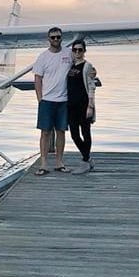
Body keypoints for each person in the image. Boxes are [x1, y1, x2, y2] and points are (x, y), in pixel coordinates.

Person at [33, 27, 73, 175]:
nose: (56, 40)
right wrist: (40, 98)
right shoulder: (43, 57)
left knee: (61, 131)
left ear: (62, 38)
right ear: (48, 39)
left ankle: (59, 162)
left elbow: (80, 62)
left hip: (64, 100)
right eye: (53, 37)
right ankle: (43, 163)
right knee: (45, 132)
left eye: (58, 37)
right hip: (47, 100)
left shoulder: (68, 53)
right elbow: (37, 78)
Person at [67, 39, 97, 173]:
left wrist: (90, 106)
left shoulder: (87, 66)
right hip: (71, 105)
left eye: (80, 50)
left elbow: (91, 86)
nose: (77, 52)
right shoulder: (71, 66)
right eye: (75, 50)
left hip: (83, 104)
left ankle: (85, 161)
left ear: (84, 51)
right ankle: (88, 158)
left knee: (85, 132)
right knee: (74, 134)